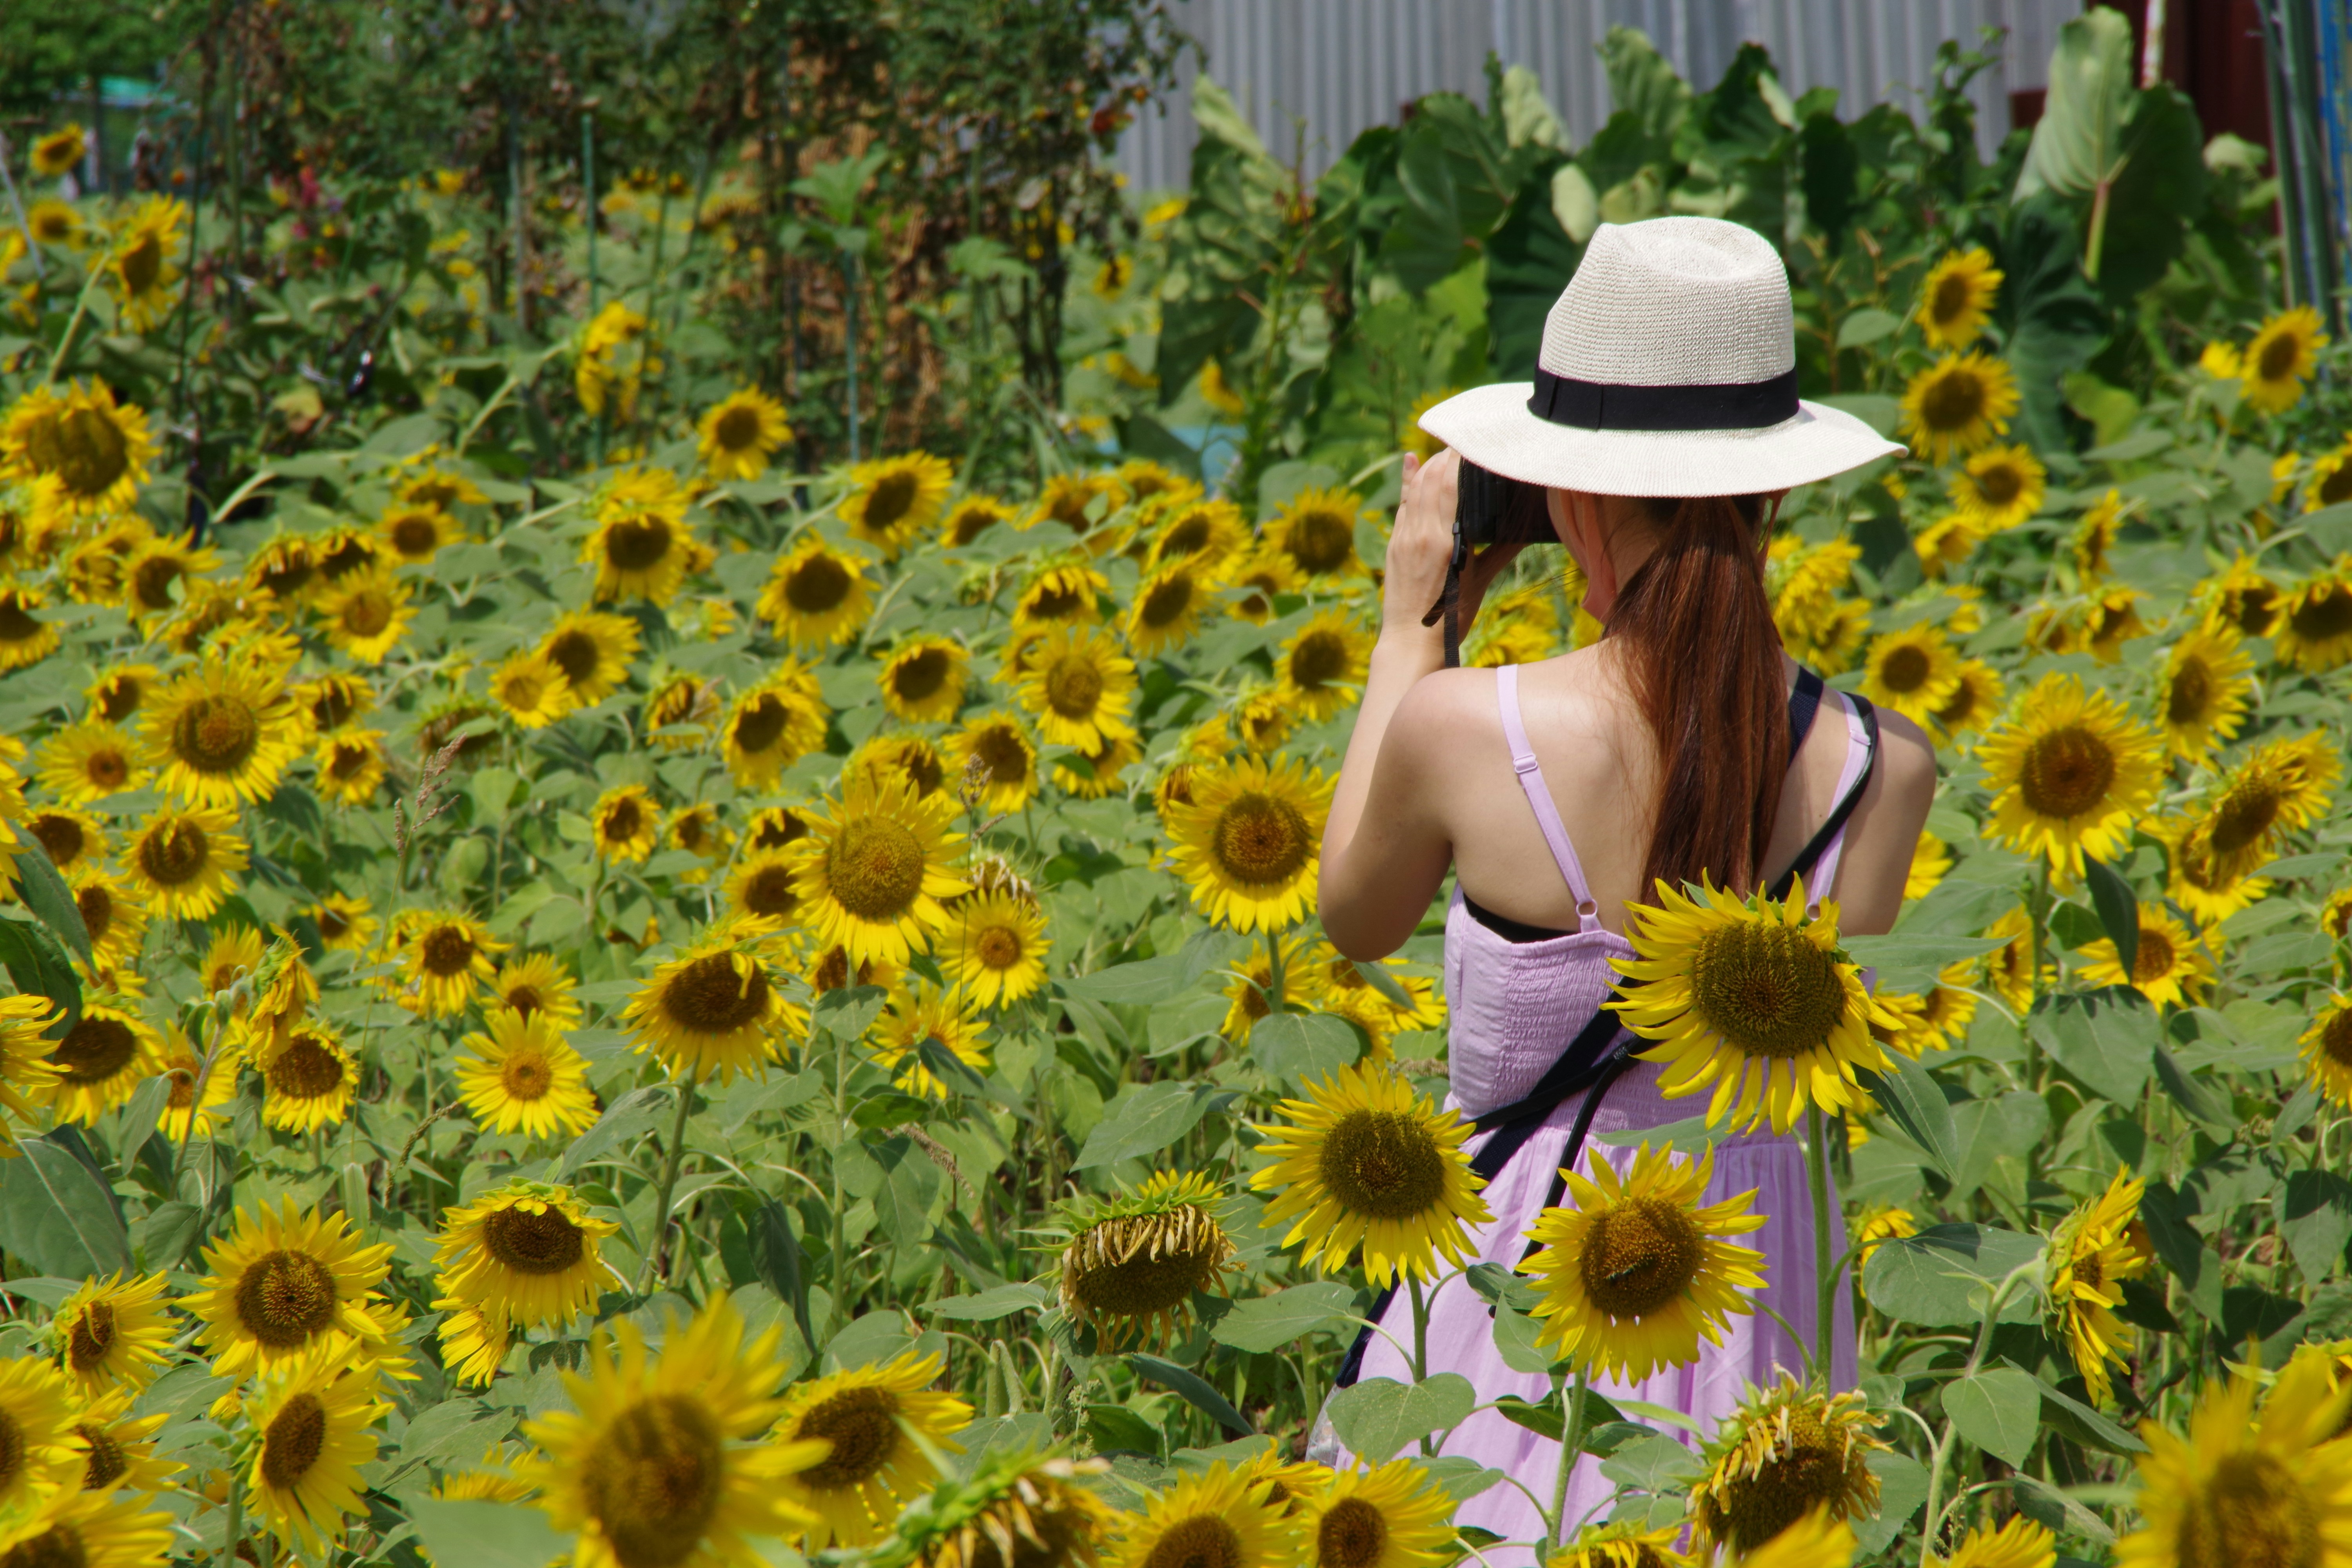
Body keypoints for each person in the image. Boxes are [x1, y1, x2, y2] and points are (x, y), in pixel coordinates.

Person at [1308, 217, 1936, 1551]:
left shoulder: (1474, 731)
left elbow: (1354, 918)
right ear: (1776, 494)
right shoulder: (1887, 767)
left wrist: (1410, 628)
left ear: (1567, 495)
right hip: (1757, 1324)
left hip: (1520, 1320)